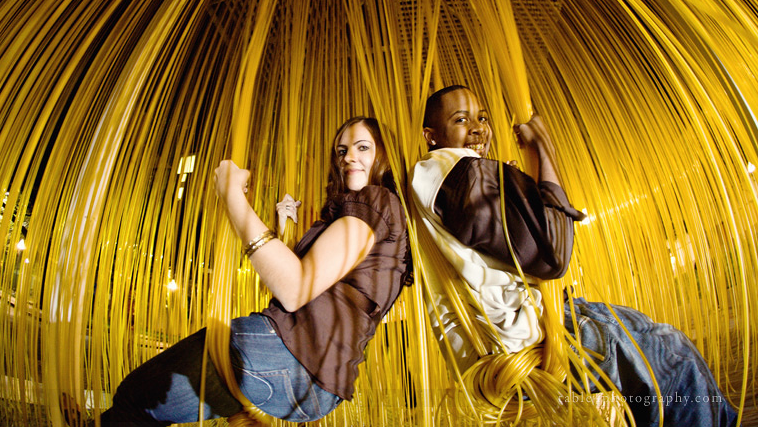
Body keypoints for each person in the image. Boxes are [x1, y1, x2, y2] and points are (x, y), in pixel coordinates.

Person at [410, 85, 737, 426]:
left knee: (656, 364)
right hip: (531, 340)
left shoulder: (429, 183)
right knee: (672, 358)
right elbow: (553, 254)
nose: (478, 128)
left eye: (482, 117)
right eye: (461, 119)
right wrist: (544, 150)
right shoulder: (462, 173)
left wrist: (513, 185)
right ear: (430, 136)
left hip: (494, 354)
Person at [86, 116, 411, 426]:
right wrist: (284, 235)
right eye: (342, 150)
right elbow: (324, 291)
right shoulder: (383, 221)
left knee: (134, 398)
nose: (348, 157)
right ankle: (236, 413)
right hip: (317, 385)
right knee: (150, 402)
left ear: (384, 154)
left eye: (363, 147)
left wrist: (233, 199)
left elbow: (296, 289)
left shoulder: (376, 201)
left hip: (289, 355)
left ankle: (233, 409)